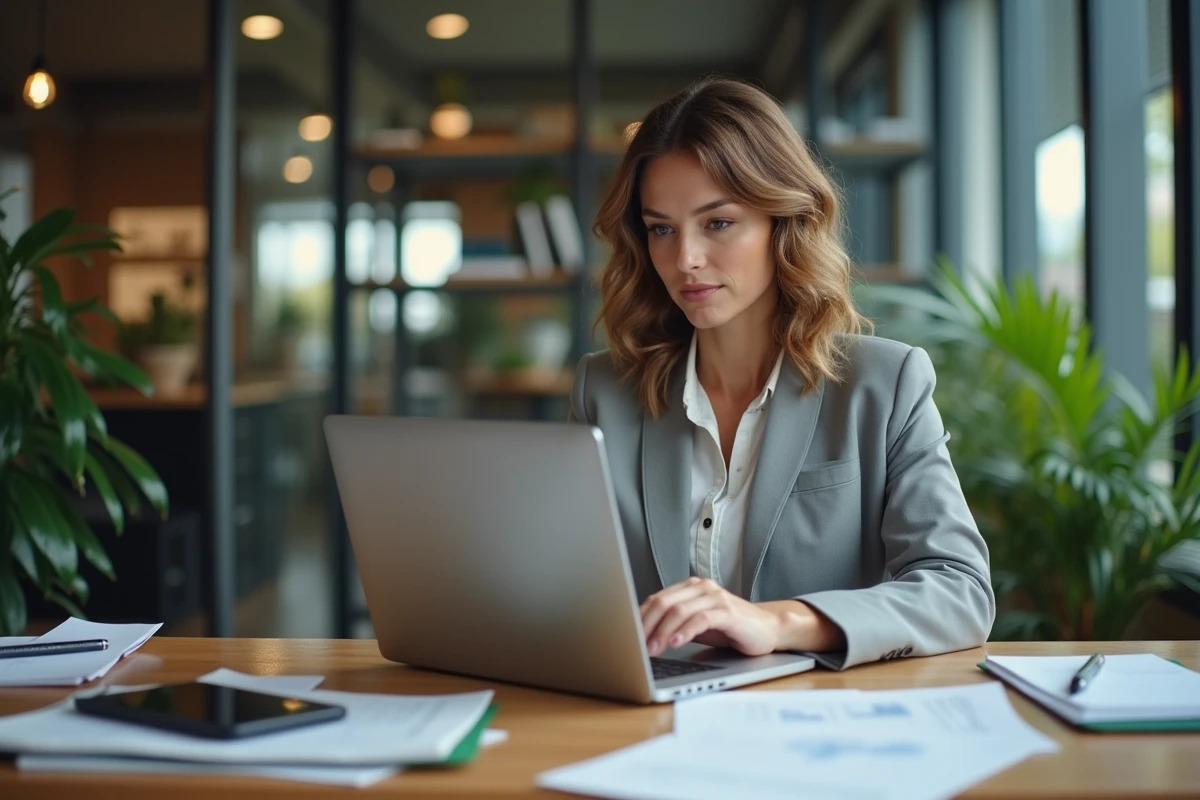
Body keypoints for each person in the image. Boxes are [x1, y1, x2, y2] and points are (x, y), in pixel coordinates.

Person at [568, 77, 994, 670]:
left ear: (783, 219)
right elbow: (562, 586)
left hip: (820, 711)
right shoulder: (604, 393)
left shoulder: (883, 384)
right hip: (652, 710)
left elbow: (960, 589)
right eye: (661, 228)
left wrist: (778, 621)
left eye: (717, 223)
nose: (685, 258)